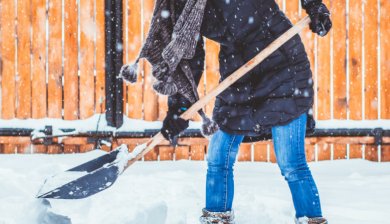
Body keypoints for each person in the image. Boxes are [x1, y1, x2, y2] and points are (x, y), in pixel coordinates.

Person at [160, 0, 332, 224]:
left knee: (291, 162)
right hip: (238, 73)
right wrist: (179, 106)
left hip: (282, 67)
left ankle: (311, 220)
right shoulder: (184, 5)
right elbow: (188, 55)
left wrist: (314, 5)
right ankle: (216, 218)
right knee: (218, 157)